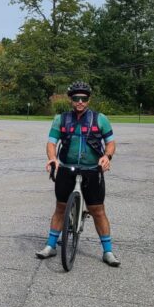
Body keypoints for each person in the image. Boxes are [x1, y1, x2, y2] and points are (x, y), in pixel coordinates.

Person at [38, 81, 120, 267]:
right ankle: (50, 246)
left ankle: (108, 251)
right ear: (71, 100)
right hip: (66, 169)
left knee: (98, 211)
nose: (80, 102)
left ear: (89, 99)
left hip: (92, 170)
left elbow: (111, 142)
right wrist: (52, 158)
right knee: (60, 208)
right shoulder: (61, 119)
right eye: (76, 98)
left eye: (83, 98)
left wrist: (107, 156)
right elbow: (51, 143)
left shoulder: (101, 119)